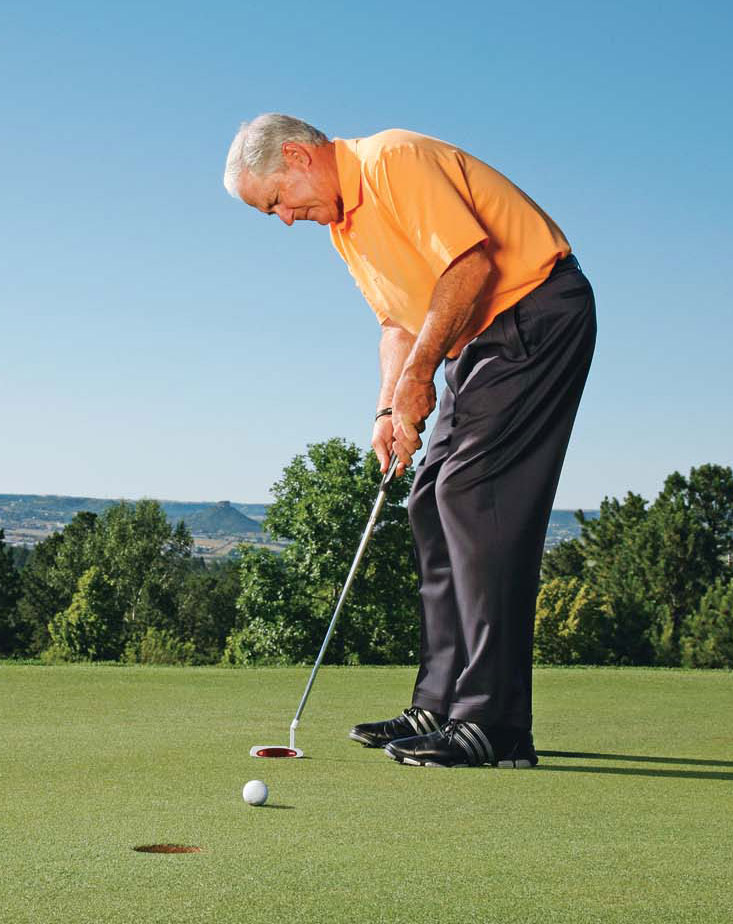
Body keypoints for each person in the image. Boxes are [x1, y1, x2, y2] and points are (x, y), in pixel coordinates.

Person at [223, 114, 596, 768]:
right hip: (479, 340)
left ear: (297, 156)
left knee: (472, 496)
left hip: (538, 312)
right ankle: (440, 703)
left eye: (277, 200)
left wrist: (421, 378)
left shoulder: (391, 161)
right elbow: (398, 323)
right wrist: (386, 413)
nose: (284, 218)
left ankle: (494, 725)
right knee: (428, 500)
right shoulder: (346, 229)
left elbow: (468, 264)